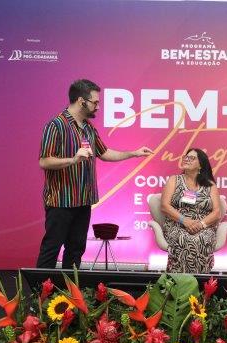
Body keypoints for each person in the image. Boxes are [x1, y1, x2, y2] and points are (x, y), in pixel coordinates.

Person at [36, 79, 152, 269]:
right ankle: (40, 288)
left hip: (84, 200)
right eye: (95, 102)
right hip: (60, 201)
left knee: (76, 250)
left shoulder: (89, 128)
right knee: (51, 248)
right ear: (81, 101)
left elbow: (104, 153)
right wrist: (73, 160)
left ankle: (70, 287)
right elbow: (44, 161)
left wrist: (134, 153)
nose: (98, 106)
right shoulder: (56, 125)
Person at [160, 148, 222, 273]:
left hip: (203, 226)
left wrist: (200, 224)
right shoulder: (174, 180)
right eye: (186, 157)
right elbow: (165, 206)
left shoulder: (210, 185)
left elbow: (217, 213)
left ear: (200, 165)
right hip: (177, 224)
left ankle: (200, 281)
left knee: (201, 239)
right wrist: (184, 221)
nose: (187, 159)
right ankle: (178, 281)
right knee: (184, 239)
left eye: (192, 158)